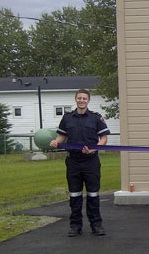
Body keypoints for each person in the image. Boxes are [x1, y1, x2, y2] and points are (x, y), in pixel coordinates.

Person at [50, 89, 110, 237]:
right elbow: (62, 136)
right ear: (76, 100)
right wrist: (55, 142)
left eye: (84, 98)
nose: (82, 100)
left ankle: (96, 225)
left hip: (91, 161)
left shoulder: (96, 118)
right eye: (79, 98)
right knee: (75, 195)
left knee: (93, 195)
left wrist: (95, 149)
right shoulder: (67, 117)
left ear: (88, 101)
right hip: (73, 162)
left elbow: (103, 138)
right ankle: (75, 226)